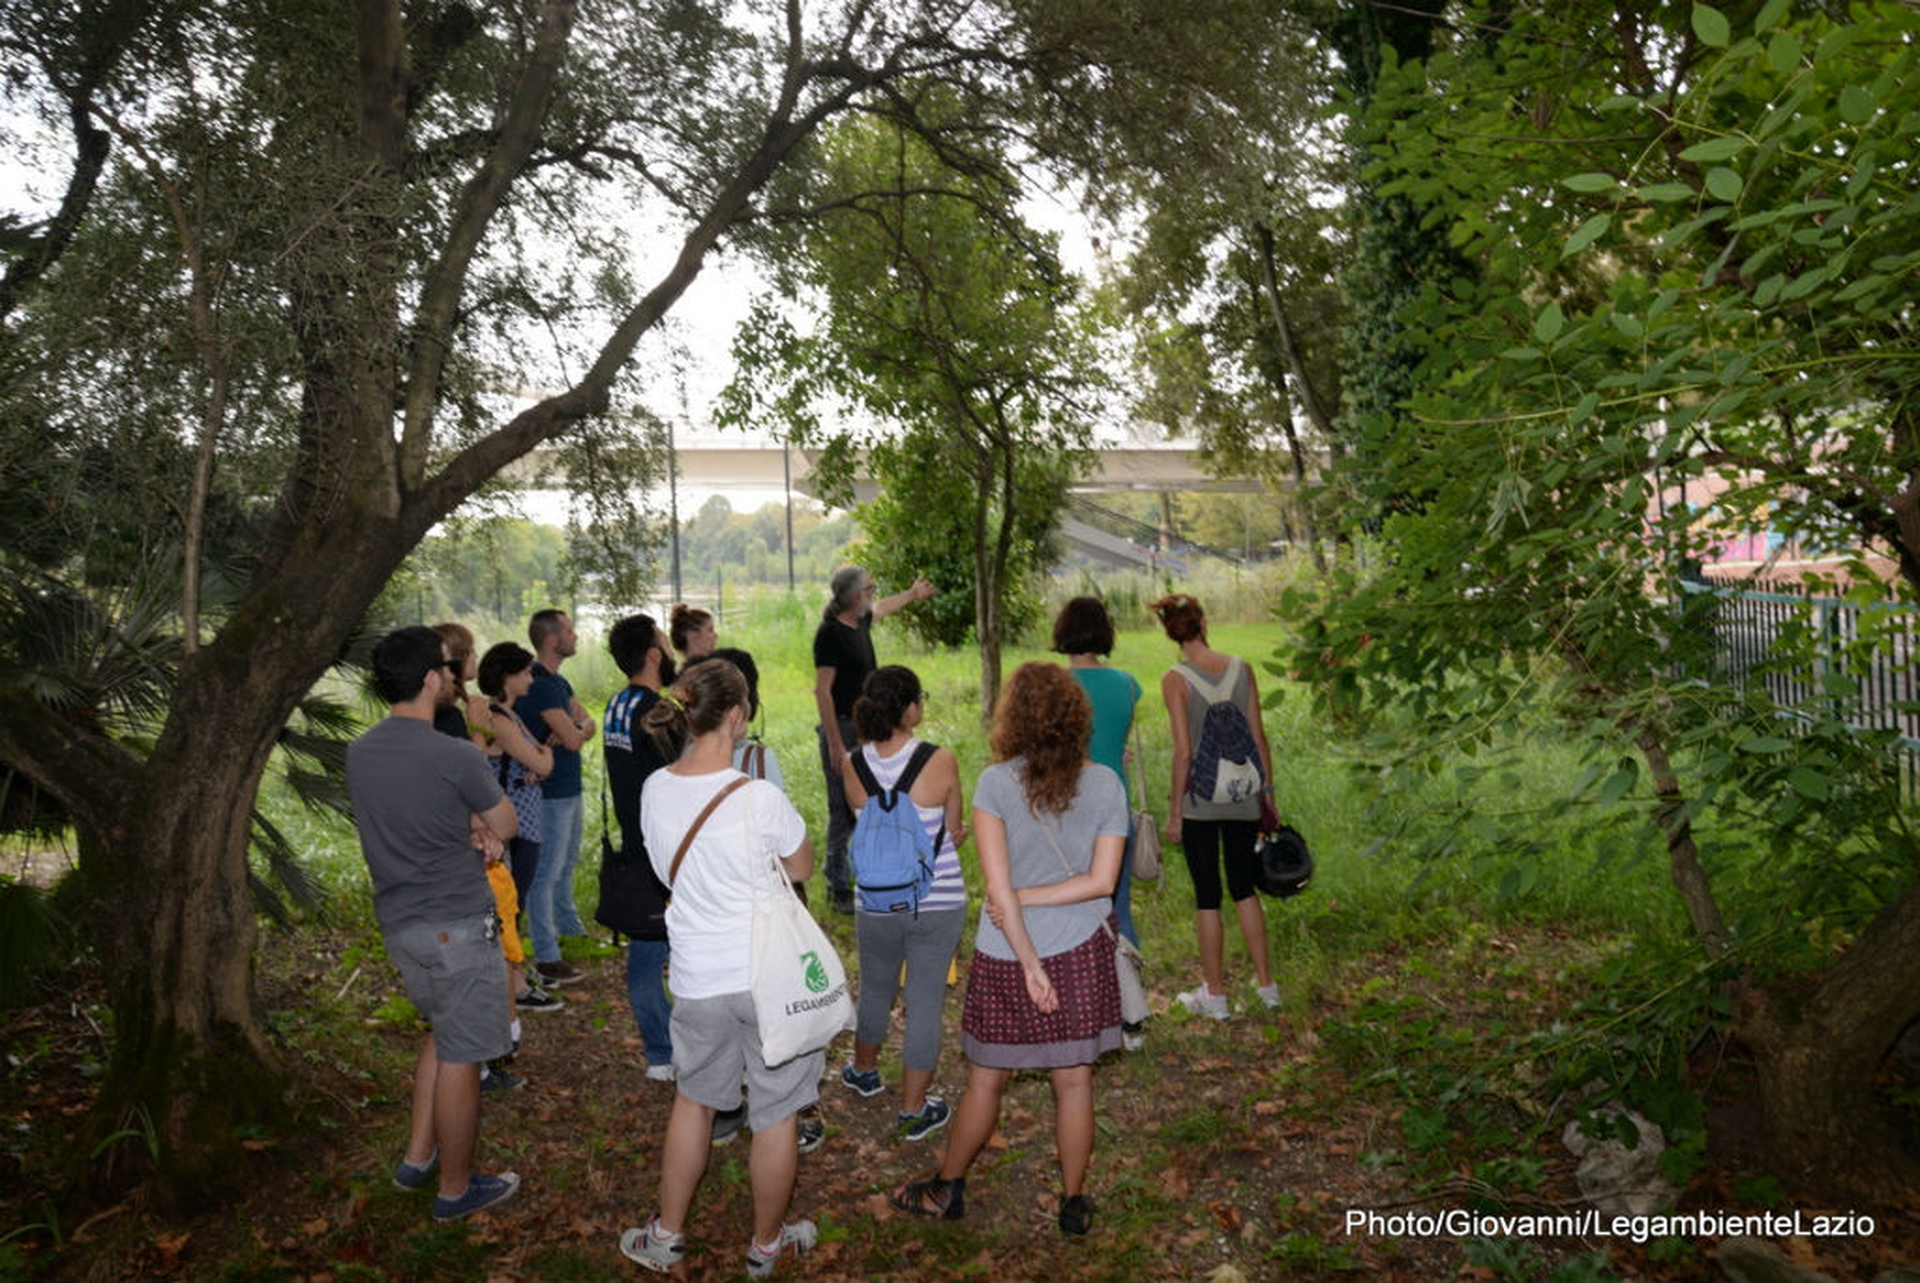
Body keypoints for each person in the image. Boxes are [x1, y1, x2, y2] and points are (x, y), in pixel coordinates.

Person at [891, 662, 1126, 1236]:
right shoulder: (1105, 785)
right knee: (1074, 1083)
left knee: (985, 1080)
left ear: (1011, 718)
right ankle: (1073, 1203)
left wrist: (1026, 954)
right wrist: (1036, 917)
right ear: (1077, 718)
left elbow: (1000, 895)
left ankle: (947, 1189)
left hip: (1005, 956)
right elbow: (1101, 882)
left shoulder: (996, 784)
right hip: (1078, 950)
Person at [620, 659, 820, 1278]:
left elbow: (662, 871)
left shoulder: (654, 789)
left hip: (699, 976)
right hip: (767, 979)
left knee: (695, 1101)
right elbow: (803, 868)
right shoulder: (761, 798)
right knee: (777, 1112)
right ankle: (765, 1245)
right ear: (737, 716)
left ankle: (667, 1234)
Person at [348, 625, 522, 1221]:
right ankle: (455, 1189)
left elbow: (410, 817)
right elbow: (506, 824)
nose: (454, 676)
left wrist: (467, 825)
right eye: (447, 668)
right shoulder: (453, 753)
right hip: (457, 923)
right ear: (429, 678)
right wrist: (480, 825)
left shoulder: (361, 750)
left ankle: (417, 1158)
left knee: (442, 1035)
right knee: (464, 1056)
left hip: (401, 924)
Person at [838, 665, 968, 1143]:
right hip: (938, 899)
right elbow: (953, 830)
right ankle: (914, 1109)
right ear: (910, 707)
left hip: (875, 901)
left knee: (875, 987)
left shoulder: (851, 764)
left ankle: (864, 1071)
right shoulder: (941, 760)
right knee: (925, 1001)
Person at [1150, 593, 1280, 1019]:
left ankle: (1217, 996)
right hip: (1244, 793)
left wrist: (1174, 813)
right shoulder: (1243, 668)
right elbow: (1259, 738)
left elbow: (1183, 752)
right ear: (1203, 622)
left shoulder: (1174, 679)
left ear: (1170, 632)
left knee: (1208, 896)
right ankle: (1266, 987)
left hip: (1201, 801)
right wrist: (1268, 794)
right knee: (1244, 888)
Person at [813, 565, 935, 913]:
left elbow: (883, 609)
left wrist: (912, 594)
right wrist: (836, 743)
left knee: (872, 803)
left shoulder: (861, 620)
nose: (875, 593)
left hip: (868, 728)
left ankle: (876, 871)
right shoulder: (830, 634)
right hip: (842, 728)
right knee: (842, 808)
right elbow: (822, 691)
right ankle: (837, 886)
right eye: (870, 588)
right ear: (854, 596)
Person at [602, 613, 677, 1082]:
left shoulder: (616, 705)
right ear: (653, 654)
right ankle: (669, 1051)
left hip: (634, 848)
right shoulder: (656, 712)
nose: (670, 650)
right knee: (658, 960)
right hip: (664, 855)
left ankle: (662, 1052)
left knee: (647, 955)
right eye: (665, 642)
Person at [476, 641, 561, 1019]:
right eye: (525, 672)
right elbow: (542, 764)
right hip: (513, 823)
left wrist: (541, 756)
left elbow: (537, 759)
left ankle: (516, 979)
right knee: (511, 904)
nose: (530, 678)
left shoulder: (511, 714)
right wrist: (546, 754)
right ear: (508, 677)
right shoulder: (498, 719)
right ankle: (514, 984)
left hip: (525, 817)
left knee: (515, 903)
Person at [516, 608, 597, 989]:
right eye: (569, 630)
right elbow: (573, 739)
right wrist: (574, 729)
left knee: (565, 865)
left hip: (567, 787)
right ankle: (546, 954)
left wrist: (575, 726)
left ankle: (569, 928)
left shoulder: (558, 683)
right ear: (552, 640)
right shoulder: (542, 685)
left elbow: (588, 723)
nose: (575, 635)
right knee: (545, 873)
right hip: (547, 794)